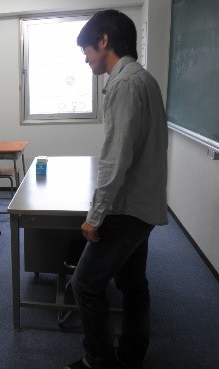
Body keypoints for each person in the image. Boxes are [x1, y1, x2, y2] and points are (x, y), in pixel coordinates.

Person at [63, 10, 168, 369]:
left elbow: (116, 158)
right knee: (132, 284)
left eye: (87, 49)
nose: (86, 58)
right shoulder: (145, 79)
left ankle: (99, 361)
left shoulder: (123, 83)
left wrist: (95, 216)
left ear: (104, 41)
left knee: (86, 284)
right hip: (145, 206)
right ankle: (131, 355)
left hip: (125, 210)